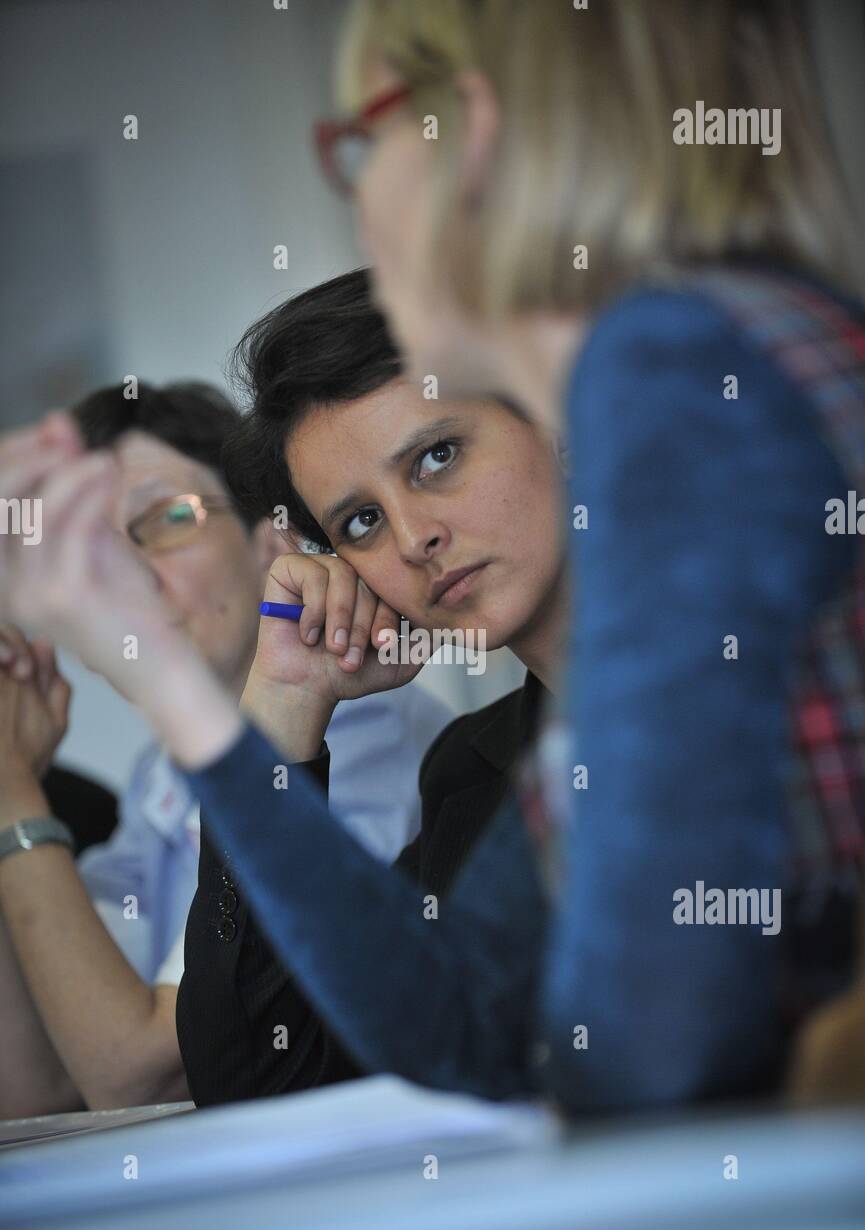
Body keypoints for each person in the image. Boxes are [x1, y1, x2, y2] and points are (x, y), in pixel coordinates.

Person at [5, 0, 864, 1113]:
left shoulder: (677, 364)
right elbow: (458, 1026)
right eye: (357, 522)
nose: (409, 539)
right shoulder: (510, 740)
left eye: (360, 145)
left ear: (471, 132)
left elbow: (639, 1047)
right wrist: (199, 698)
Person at [0, 382, 450, 1118]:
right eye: (96, 550)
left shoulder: (361, 730)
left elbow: (138, 1074)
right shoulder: (159, 777)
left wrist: (14, 794)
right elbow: (37, 1088)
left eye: (165, 520)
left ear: (272, 543)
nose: (126, 578)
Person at [177, 268, 565, 1104]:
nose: (416, 537)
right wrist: (280, 708)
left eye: (436, 456)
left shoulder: (769, 665)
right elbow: (263, 1088)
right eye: (361, 522)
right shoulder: (469, 770)